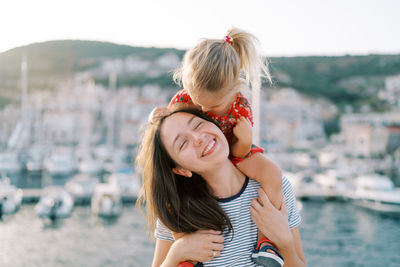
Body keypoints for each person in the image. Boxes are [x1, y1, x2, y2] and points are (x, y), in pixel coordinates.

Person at [149, 27, 283, 266]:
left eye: (215, 106)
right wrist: (158, 116)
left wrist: (244, 139)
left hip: (233, 150)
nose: (207, 113)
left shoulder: (241, 107)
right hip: (204, 160)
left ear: (237, 87)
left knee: (272, 172)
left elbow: (240, 153)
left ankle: (267, 243)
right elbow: (171, 132)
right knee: (176, 195)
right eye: (199, 105)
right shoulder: (183, 100)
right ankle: (186, 250)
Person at [137, 109, 306, 266]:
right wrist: (177, 253)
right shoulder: (176, 210)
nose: (198, 138)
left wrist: (285, 242)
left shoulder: (274, 188)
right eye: (182, 143)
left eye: (198, 124)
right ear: (181, 170)